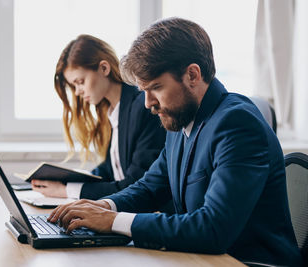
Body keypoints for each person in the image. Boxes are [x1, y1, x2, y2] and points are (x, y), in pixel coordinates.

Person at [47, 18, 303, 266]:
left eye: (156, 88)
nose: (148, 104)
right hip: (201, 259)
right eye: (143, 91)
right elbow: (149, 187)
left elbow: (212, 228)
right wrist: (102, 206)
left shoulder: (237, 124)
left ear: (192, 75)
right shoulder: (180, 119)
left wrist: (113, 220)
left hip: (248, 262)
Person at [31, 34, 167, 202]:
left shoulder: (142, 107)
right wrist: (68, 179)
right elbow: (110, 171)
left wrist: (67, 190)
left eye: (80, 82)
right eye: (74, 86)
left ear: (104, 68)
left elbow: (135, 184)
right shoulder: (113, 110)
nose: (78, 92)